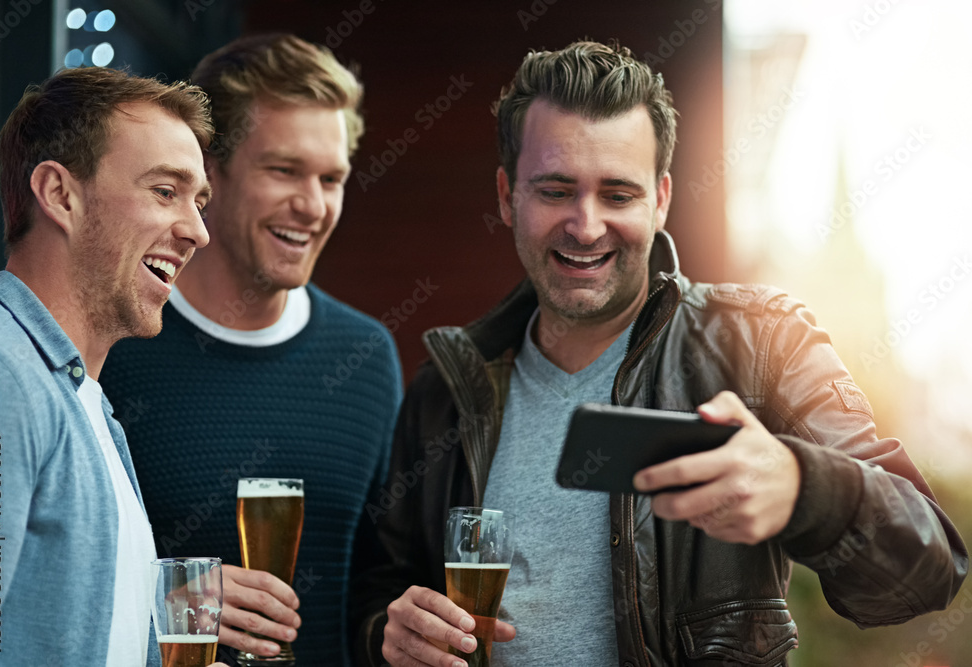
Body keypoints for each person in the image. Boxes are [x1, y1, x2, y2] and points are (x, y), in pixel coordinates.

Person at [350, 40, 969, 666]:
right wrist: (386, 635)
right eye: (556, 191)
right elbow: (379, 588)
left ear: (662, 199)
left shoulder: (762, 342)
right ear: (509, 196)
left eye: (618, 194)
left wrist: (805, 487)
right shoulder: (447, 387)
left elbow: (930, 568)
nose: (586, 226)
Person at [100, 34, 403, 666]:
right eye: (284, 170)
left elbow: (376, 588)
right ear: (210, 171)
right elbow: (35, 577)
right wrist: (171, 602)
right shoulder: (115, 343)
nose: (313, 206)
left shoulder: (368, 358)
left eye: (332, 178)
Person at [0, 67, 220, 666]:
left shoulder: (80, 396)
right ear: (60, 195)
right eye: (165, 192)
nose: (197, 232)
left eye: (199, 201)